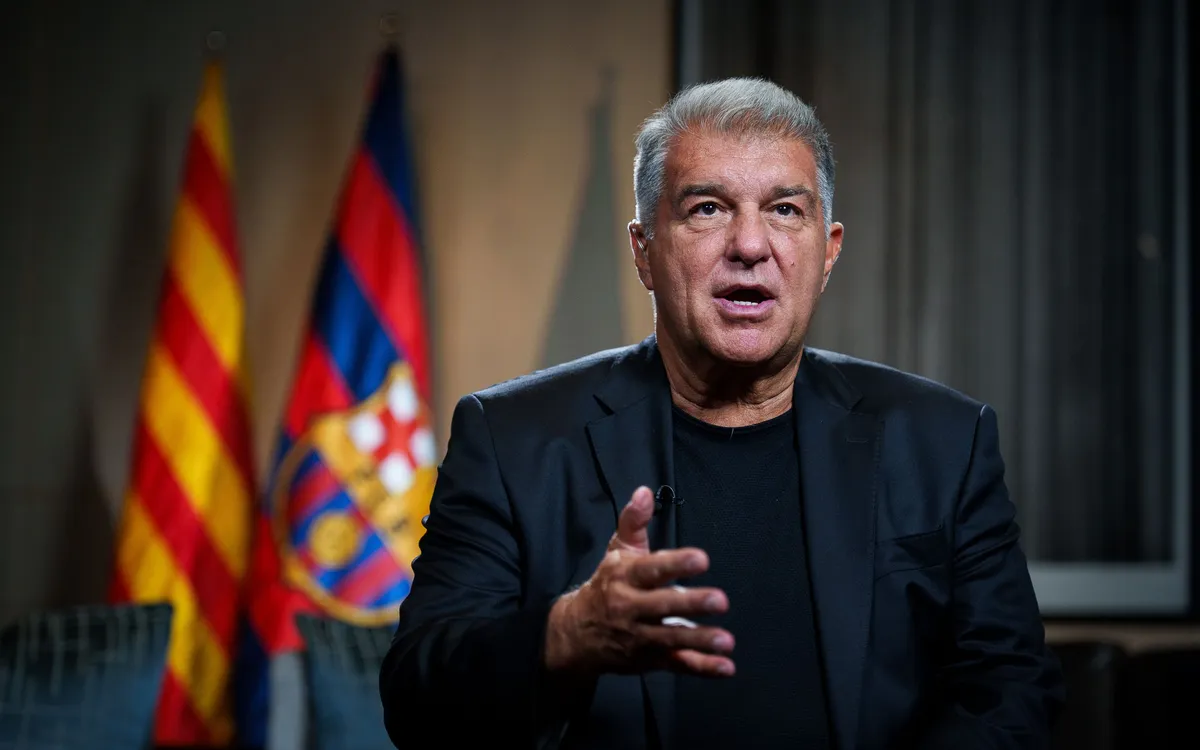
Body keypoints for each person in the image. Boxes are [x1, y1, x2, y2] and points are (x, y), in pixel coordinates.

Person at [379, 77, 1064, 749]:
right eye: (707, 208)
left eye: (785, 210)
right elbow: (416, 702)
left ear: (828, 251)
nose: (750, 245)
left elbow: (1009, 692)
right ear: (644, 250)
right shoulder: (511, 440)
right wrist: (566, 635)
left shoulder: (946, 442)